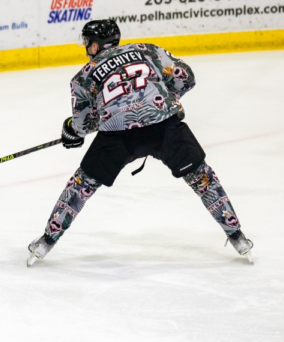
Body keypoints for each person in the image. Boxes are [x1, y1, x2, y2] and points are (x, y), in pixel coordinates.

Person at [27, 19, 253, 267]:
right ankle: (237, 236)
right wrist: (170, 100)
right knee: (202, 178)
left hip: (117, 136)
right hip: (164, 126)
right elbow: (186, 77)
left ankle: (46, 241)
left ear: (95, 45)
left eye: (87, 43)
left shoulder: (83, 77)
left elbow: (84, 125)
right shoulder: (149, 50)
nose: (86, 48)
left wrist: (71, 129)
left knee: (81, 185)